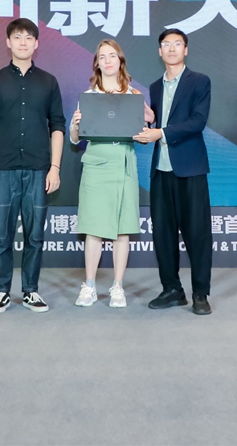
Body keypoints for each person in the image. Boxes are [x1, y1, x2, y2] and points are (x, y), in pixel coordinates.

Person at [0, 18, 65, 314]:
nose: (23, 42)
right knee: (2, 235)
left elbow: (57, 126)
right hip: (2, 169)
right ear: (8, 42)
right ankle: (1, 291)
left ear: (36, 44)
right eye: (17, 37)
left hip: (39, 170)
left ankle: (30, 291)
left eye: (29, 37)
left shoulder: (48, 82)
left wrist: (55, 167)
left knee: (35, 235)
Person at [134, 28, 213, 315]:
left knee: (197, 233)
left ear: (185, 50)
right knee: (163, 234)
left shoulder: (200, 81)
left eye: (177, 44)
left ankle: (200, 293)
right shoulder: (155, 87)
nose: (171, 49)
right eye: (166, 44)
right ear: (159, 51)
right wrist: (148, 122)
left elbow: (197, 122)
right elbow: (156, 122)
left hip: (190, 168)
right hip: (161, 169)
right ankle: (172, 290)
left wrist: (160, 132)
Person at [69, 39, 154, 308]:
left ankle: (118, 286)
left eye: (112, 56)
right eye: (102, 56)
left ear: (120, 61)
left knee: (122, 229)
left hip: (124, 162)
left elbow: (146, 130)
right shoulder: (89, 96)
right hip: (96, 162)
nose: (107, 61)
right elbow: (75, 139)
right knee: (93, 228)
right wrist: (75, 126)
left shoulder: (133, 95)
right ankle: (90, 285)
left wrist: (148, 118)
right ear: (96, 63)